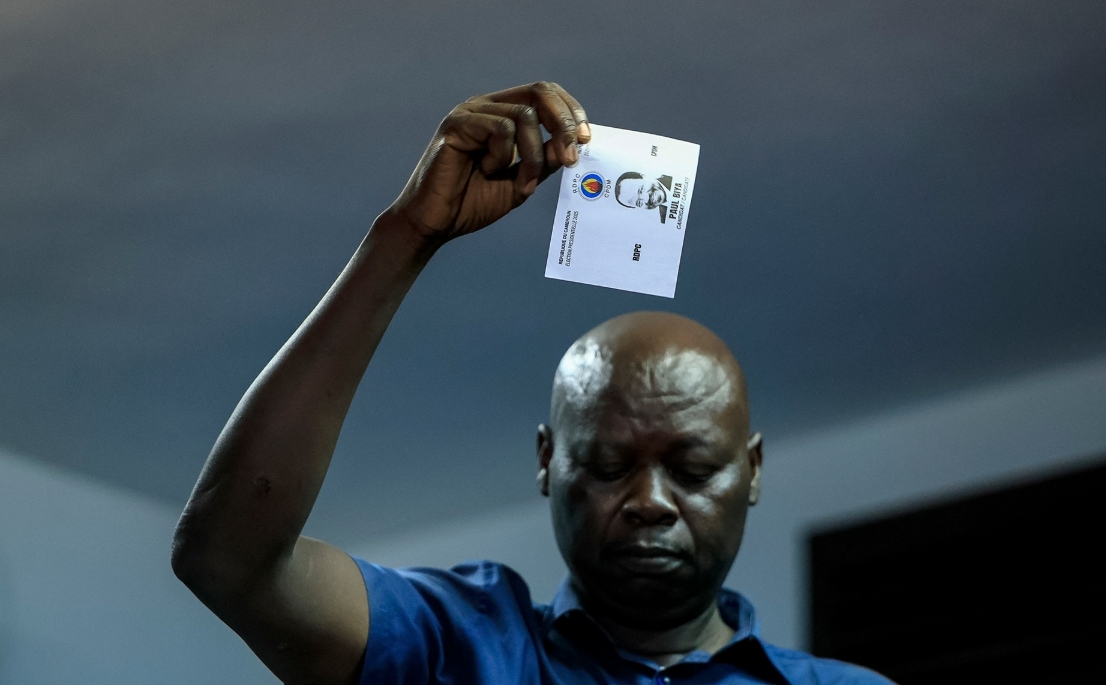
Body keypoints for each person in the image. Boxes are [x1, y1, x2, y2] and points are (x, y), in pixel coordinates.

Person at [171, 81, 891, 685]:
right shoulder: (457, 645)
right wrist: (406, 235)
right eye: (609, 465)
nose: (649, 502)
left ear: (753, 468)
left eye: (693, 468)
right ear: (548, 460)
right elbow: (227, 559)